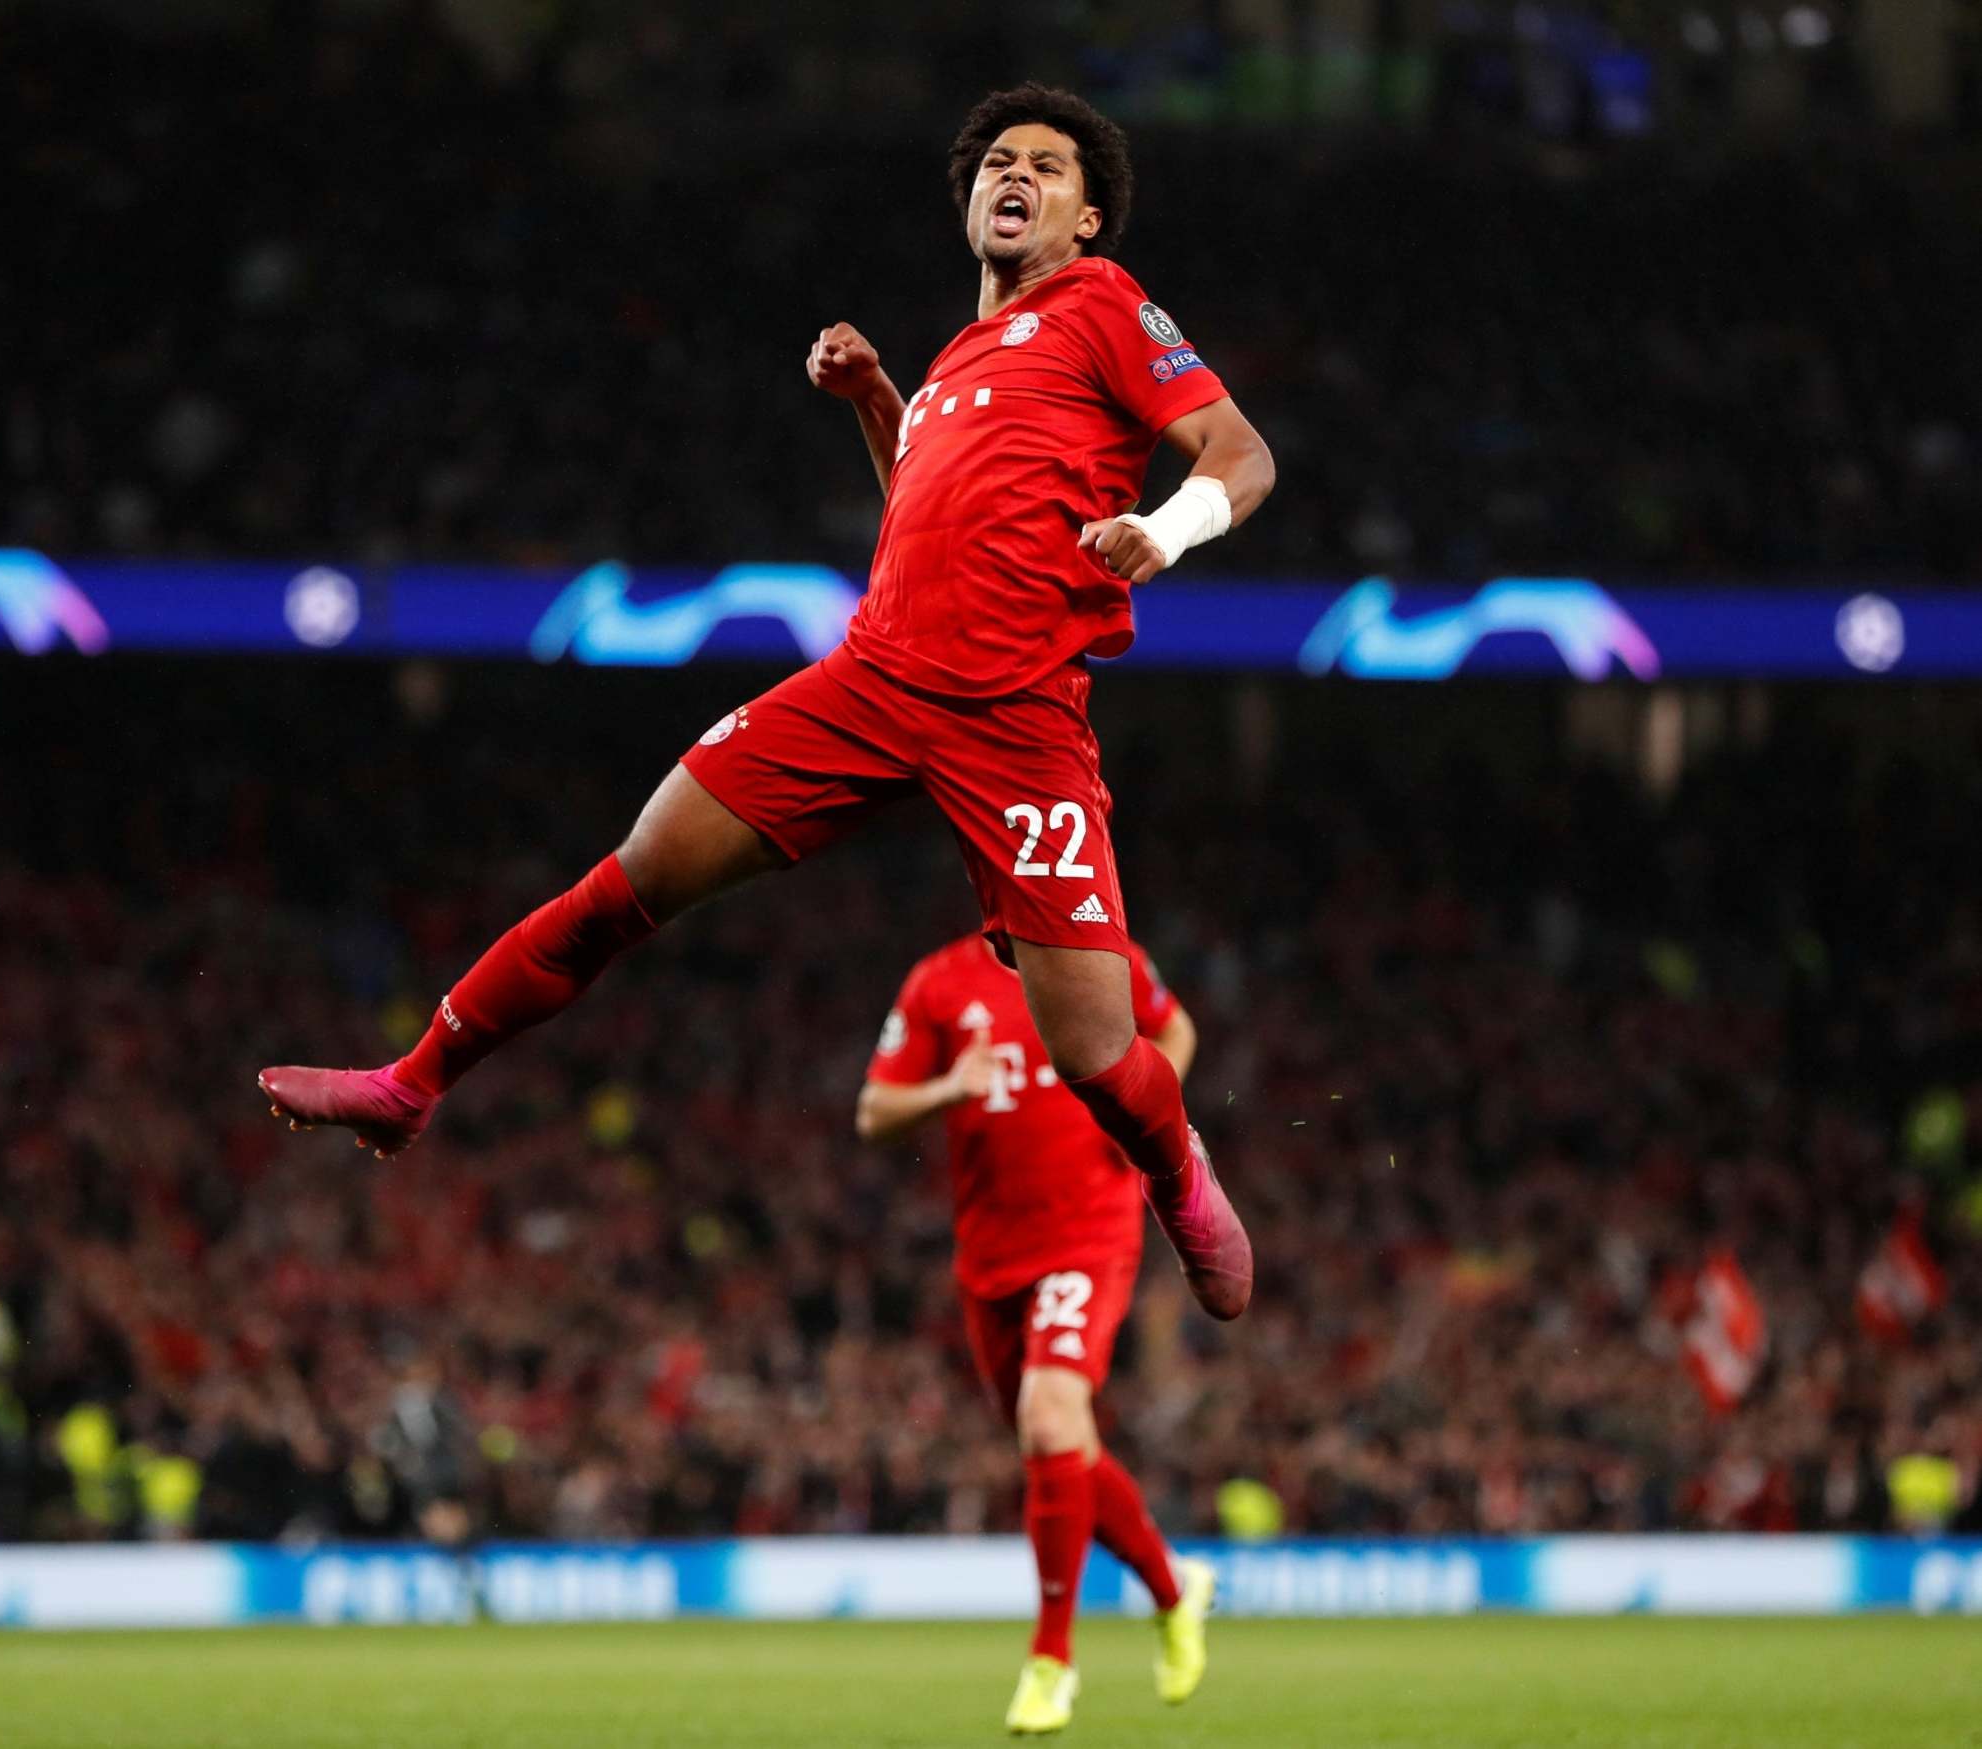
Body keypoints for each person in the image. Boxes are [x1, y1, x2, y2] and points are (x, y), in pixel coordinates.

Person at [261, 82, 1271, 1320]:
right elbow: (920, 501)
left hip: (1016, 718)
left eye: (1046, 168)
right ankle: (415, 1081)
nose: (1013, 175)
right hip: (872, 679)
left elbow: (1242, 454)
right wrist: (871, 400)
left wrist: (1159, 535)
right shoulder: (956, 362)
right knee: (632, 877)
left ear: (1087, 218)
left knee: (1100, 1061)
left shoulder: (1104, 305)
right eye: (996, 160)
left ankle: (1179, 1173)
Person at [858, 932, 1215, 1734]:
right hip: (989, 1260)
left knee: (1049, 1417)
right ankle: (1170, 1587)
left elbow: (1176, 1030)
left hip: (1089, 1229)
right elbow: (873, 1110)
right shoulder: (936, 981)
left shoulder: (1099, 951)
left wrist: (1143, 1124)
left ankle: (1051, 1659)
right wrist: (949, 1086)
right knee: (1060, 1448)